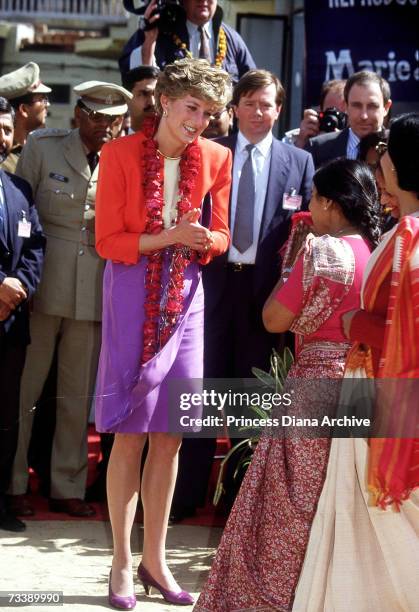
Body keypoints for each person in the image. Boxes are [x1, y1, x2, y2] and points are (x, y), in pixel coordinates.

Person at [195, 158, 381, 611]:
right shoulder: (376, 252)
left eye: (316, 198)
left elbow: (273, 317)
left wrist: (291, 268)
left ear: (333, 205)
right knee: (342, 498)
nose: (311, 208)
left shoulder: (321, 251)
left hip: (315, 381)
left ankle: (272, 598)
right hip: (362, 384)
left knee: (288, 503)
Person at [94, 58, 232, 609]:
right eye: (190, 108)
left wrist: (203, 242)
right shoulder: (120, 153)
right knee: (129, 432)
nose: (198, 121)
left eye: (208, 113)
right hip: (130, 293)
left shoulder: (219, 159)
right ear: (165, 101)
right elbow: (109, 242)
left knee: (171, 433)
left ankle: (156, 558)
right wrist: (168, 235)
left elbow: (223, 235)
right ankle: (122, 564)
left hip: (186, 298)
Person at [171, 69, 314, 522]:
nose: (257, 112)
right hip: (211, 284)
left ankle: (240, 501)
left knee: (253, 394)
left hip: (264, 294)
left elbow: (304, 233)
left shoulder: (299, 162)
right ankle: (184, 494)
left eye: (266, 104)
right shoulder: (213, 154)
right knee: (201, 387)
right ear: (234, 109)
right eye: (249, 103)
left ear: (279, 109)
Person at [293, 113, 419, 611]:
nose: (380, 157)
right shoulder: (402, 228)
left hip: (383, 386)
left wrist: (354, 328)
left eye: (388, 151)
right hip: (370, 381)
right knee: (359, 505)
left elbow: (407, 326)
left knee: (381, 506)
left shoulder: (410, 235)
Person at [7, 81, 132, 519]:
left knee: (77, 395)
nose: (104, 127)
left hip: (95, 287)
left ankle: (67, 484)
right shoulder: (43, 147)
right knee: (25, 389)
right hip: (43, 284)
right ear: (77, 113)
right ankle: (13, 480)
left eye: (113, 120)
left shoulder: (123, 156)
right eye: (96, 117)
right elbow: (17, 210)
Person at [0, 97, 45, 532]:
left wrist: (20, 287)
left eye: (5, 129)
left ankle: (0, 504)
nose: (2, 136)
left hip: (11, 322)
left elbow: (35, 247)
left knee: (6, 415)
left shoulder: (19, 190)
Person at [120, 0, 255, 84]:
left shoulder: (231, 38)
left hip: (221, 129)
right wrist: (149, 42)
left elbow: (253, 85)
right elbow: (131, 78)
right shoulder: (158, 31)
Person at [307, 71, 392, 168]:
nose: (364, 116)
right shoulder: (318, 148)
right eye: (357, 106)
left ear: (386, 108)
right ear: (346, 106)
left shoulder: (399, 148)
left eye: (372, 106)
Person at [0, 62, 51, 173]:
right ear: (24, 109)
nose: (47, 105)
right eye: (43, 99)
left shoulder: (34, 148)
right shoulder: (3, 157)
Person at [284, 78, 346, 149]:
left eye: (342, 116)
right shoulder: (291, 140)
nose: (334, 120)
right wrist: (301, 142)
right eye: (331, 113)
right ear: (320, 112)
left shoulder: (359, 143)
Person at [122, 65, 160, 132]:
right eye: (144, 94)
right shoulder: (116, 140)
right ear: (126, 98)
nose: (153, 102)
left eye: (157, 94)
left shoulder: (177, 140)